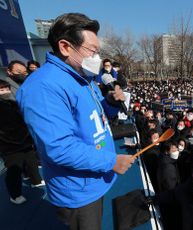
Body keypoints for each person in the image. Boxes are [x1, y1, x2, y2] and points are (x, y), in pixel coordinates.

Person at [16, 13, 135, 230]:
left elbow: (97, 117)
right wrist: (111, 162)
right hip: (78, 191)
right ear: (65, 47)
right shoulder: (43, 88)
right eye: (92, 50)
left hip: (95, 179)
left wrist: (111, 101)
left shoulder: (83, 78)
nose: (97, 58)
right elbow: (59, 148)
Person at [0, 79, 44, 204]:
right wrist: (14, 139)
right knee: (15, 170)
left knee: (31, 162)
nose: (5, 92)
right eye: (1, 89)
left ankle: (36, 181)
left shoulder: (12, 103)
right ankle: (15, 195)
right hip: (9, 146)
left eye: (7, 88)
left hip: (25, 140)